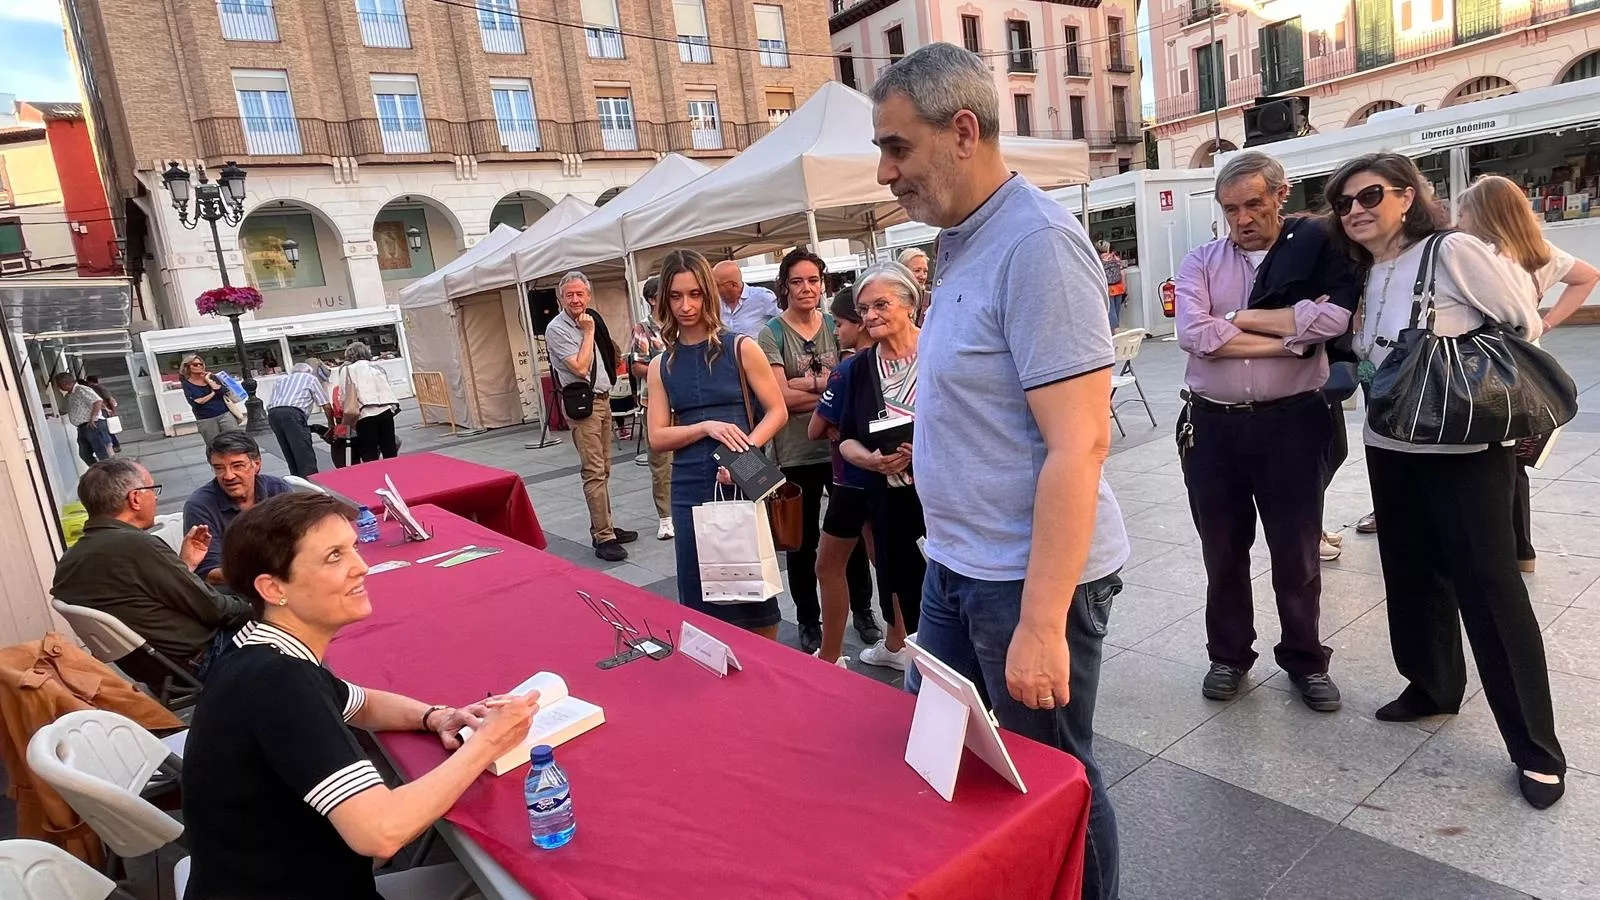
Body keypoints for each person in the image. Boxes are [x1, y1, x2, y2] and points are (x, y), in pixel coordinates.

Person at [871, 43, 1128, 899]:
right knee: (942, 759)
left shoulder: (1038, 246)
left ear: (964, 132)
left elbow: (1080, 443)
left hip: (1023, 582)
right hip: (956, 566)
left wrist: (1043, 624)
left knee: (1056, 783)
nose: (884, 172)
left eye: (897, 147)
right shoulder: (959, 240)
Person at [1328, 151, 1565, 809]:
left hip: (1460, 444)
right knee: (1409, 571)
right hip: (1390, 440)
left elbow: (1525, 320)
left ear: (1407, 196)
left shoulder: (1454, 250)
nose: (1355, 211)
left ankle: (1537, 748)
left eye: (1369, 196)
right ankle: (1432, 686)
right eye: (1343, 203)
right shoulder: (1366, 270)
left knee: (1490, 589)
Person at [181, 492, 538, 898]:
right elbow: (381, 833)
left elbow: (361, 703)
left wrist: (436, 716)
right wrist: (489, 742)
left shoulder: (260, 650)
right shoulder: (278, 684)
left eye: (353, 548)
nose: (362, 566)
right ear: (273, 587)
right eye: (335, 556)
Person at [1174, 150, 1359, 712]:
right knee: (1223, 551)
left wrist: (1235, 321)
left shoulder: (1315, 252)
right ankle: (1228, 656)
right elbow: (1193, 334)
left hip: (1293, 423)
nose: (1242, 218)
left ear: (1281, 195)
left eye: (1254, 204)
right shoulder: (1201, 261)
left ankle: (1305, 659)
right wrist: (1292, 338)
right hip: (1214, 427)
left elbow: (1336, 320)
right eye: (1231, 208)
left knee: (1297, 552)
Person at [1458, 174, 1600, 574]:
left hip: (1487, 369)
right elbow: (1588, 275)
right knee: (1513, 463)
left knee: (1489, 462)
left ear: (1483, 214)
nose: (1460, 219)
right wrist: (1549, 321)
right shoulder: (1540, 251)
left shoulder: (1480, 256)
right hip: (1529, 366)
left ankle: (1493, 552)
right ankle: (1522, 549)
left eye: (1465, 210)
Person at [647, 249, 788, 638]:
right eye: (675, 296)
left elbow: (776, 410)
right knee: (698, 588)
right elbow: (657, 437)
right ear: (664, 301)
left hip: (741, 471)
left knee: (752, 588)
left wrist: (745, 451)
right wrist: (705, 426)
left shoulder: (741, 346)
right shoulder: (663, 363)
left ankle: (763, 678)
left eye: (694, 294)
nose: (686, 305)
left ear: (707, 294)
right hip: (689, 481)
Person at [759, 248, 875, 656]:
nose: (806, 288)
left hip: (842, 449)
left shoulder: (836, 323)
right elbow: (779, 399)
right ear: (784, 286)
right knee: (802, 541)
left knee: (855, 535)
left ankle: (863, 611)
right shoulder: (772, 334)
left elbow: (854, 383)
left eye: (813, 280)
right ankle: (809, 619)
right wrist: (828, 388)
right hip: (795, 451)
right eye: (797, 281)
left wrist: (804, 386)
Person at [52, 459, 251, 680]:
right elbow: (215, 609)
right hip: (202, 659)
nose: (155, 498)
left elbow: (140, 600)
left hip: (155, 666)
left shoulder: (70, 559)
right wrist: (265, 608)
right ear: (135, 498)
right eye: (152, 490)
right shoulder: (135, 546)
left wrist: (184, 566)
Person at [835, 263, 927, 671]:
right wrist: (871, 460)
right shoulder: (858, 369)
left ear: (910, 304)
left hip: (947, 495)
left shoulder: (941, 352)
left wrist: (924, 446)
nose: (869, 315)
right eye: (863, 308)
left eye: (880, 305)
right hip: (891, 500)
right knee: (906, 586)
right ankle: (928, 673)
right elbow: (845, 438)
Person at [808, 284, 883, 665]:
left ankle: (830, 656)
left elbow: (815, 429)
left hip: (850, 481)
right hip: (889, 478)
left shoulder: (848, 368)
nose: (836, 331)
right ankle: (899, 643)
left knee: (828, 565)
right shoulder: (893, 361)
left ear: (859, 322)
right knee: (885, 559)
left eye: (839, 323)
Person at [545, 271, 637, 561]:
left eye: (580, 294)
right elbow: (580, 367)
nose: (575, 299)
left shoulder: (593, 317)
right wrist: (586, 333)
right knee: (594, 471)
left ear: (588, 295)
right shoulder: (556, 329)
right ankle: (603, 537)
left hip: (603, 399)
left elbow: (608, 354)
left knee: (605, 468)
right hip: (583, 404)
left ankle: (605, 524)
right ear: (561, 298)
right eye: (569, 294)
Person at [184, 431, 294, 587]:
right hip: (234, 589)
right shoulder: (200, 506)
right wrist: (267, 579)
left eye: (237, 466)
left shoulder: (278, 490)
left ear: (256, 465)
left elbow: (300, 540)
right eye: (219, 468)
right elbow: (209, 571)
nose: (228, 476)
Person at [631, 276, 674, 540]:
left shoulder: (679, 323)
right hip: (655, 401)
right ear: (652, 299)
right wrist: (667, 372)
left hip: (684, 400)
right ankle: (665, 518)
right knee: (661, 463)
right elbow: (637, 365)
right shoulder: (643, 328)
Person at [267, 361, 336, 478]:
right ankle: (311, 485)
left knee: (289, 452)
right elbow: (326, 404)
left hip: (274, 414)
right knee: (303, 452)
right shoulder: (310, 378)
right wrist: (331, 425)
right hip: (293, 413)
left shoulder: (281, 380)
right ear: (309, 372)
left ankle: (297, 480)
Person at [339, 342, 401, 463]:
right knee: (389, 449)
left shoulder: (348, 370)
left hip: (365, 414)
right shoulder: (377, 367)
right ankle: (394, 474)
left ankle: (374, 477)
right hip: (386, 410)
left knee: (369, 452)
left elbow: (344, 396)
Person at [180, 354, 241, 449]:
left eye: (201, 364)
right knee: (214, 446)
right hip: (206, 419)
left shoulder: (212, 377)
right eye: (195, 365)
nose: (199, 366)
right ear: (187, 367)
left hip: (225, 414)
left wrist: (208, 380)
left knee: (235, 441)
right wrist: (213, 393)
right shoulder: (187, 384)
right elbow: (197, 402)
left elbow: (223, 390)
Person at [53, 372, 111, 466]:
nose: (58, 388)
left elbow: (97, 401)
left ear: (65, 383)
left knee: (101, 451)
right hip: (82, 427)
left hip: (92, 424)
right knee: (84, 454)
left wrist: (92, 418)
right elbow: (64, 409)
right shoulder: (69, 395)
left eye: (59, 385)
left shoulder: (80, 389)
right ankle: (97, 470)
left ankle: (109, 472)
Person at [712, 259, 781, 336]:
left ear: (733, 285)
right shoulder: (715, 304)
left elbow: (785, 324)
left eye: (717, 285)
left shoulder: (762, 297)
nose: (713, 289)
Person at [83, 375, 121, 453]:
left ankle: (115, 445)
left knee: (107, 429)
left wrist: (112, 411)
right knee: (107, 429)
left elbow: (109, 400)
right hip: (103, 410)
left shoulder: (98, 389)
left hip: (104, 411)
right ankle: (114, 445)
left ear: (89, 381)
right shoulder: (99, 388)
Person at [1098, 240, 1128, 330]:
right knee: (1117, 310)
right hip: (1118, 287)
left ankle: (1113, 331)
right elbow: (1122, 273)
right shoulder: (1115, 258)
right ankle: (1116, 328)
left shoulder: (1098, 261)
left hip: (1108, 288)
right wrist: (1125, 287)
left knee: (1111, 311)